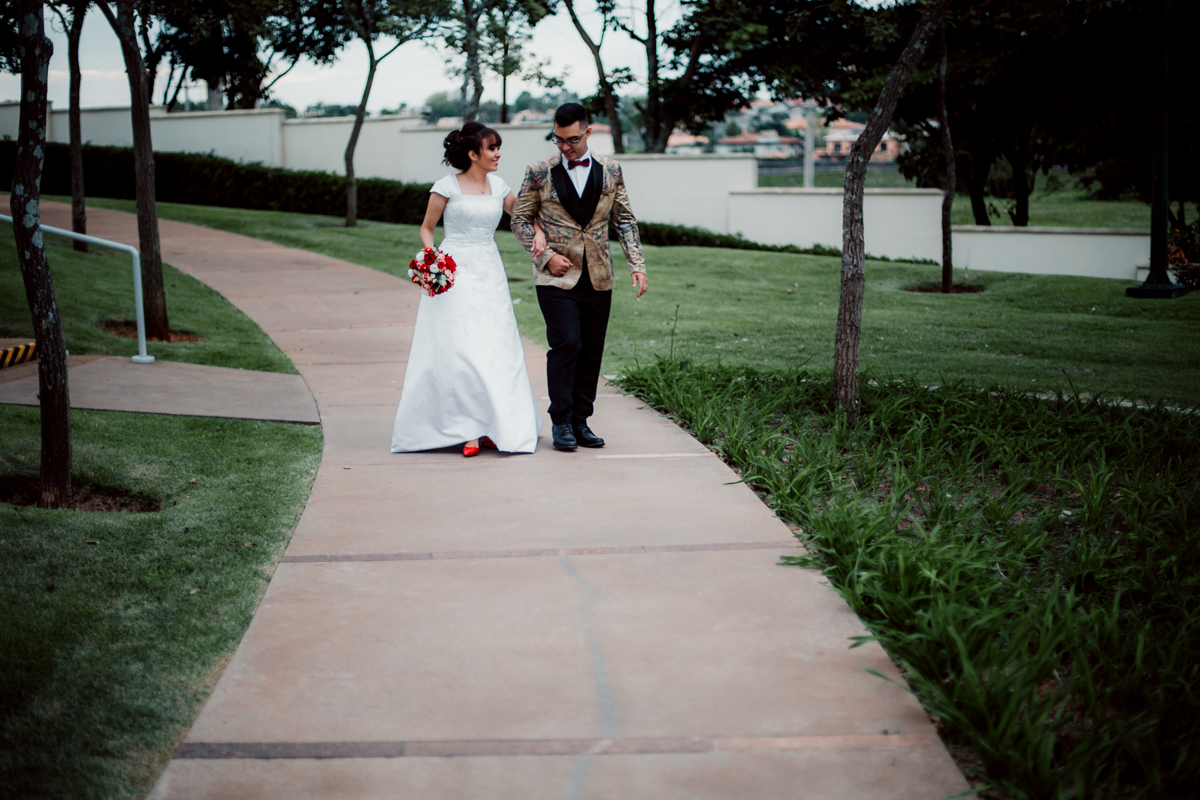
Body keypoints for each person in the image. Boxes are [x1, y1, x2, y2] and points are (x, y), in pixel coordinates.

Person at [390, 122, 543, 457]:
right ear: (473, 154)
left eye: (498, 147)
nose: (498, 153)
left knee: (493, 344)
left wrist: (538, 234)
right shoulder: (445, 187)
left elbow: (521, 217)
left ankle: (493, 424)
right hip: (454, 270)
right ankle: (467, 427)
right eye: (491, 148)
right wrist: (433, 259)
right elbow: (427, 229)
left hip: (488, 270)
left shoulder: (499, 186)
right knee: (460, 347)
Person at [511, 103, 648, 452]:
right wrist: (544, 255)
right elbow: (520, 219)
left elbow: (625, 220)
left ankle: (580, 421)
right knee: (567, 344)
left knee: (590, 351)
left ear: (588, 132)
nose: (564, 147)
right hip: (556, 278)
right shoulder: (538, 171)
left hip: (599, 275)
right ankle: (560, 422)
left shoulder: (611, 170)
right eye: (558, 139)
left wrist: (637, 264)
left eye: (571, 139)